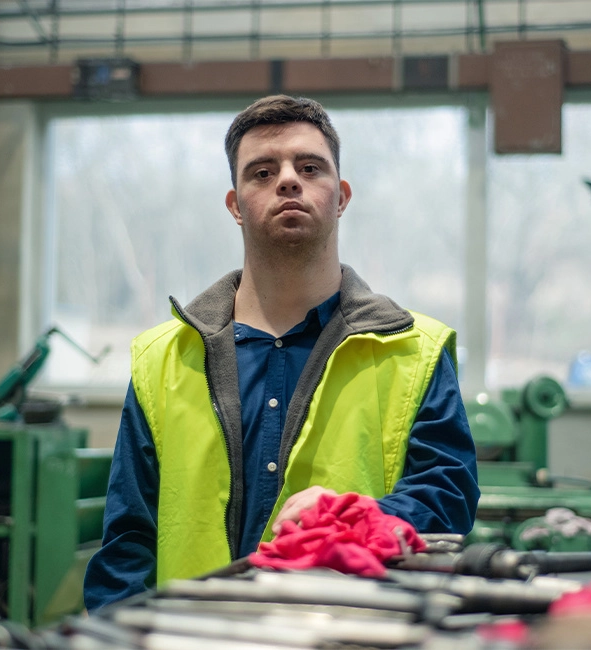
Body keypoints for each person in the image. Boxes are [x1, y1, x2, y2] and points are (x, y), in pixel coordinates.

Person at [83, 95, 479, 611]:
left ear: (341, 196)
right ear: (235, 205)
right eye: (262, 172)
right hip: (198, 639)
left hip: (351, 637)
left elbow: (448, 498)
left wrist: (352, 516)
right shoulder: (163, 359)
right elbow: (129, 541)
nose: (288, 180)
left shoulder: (413, 351)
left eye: (310, 167)